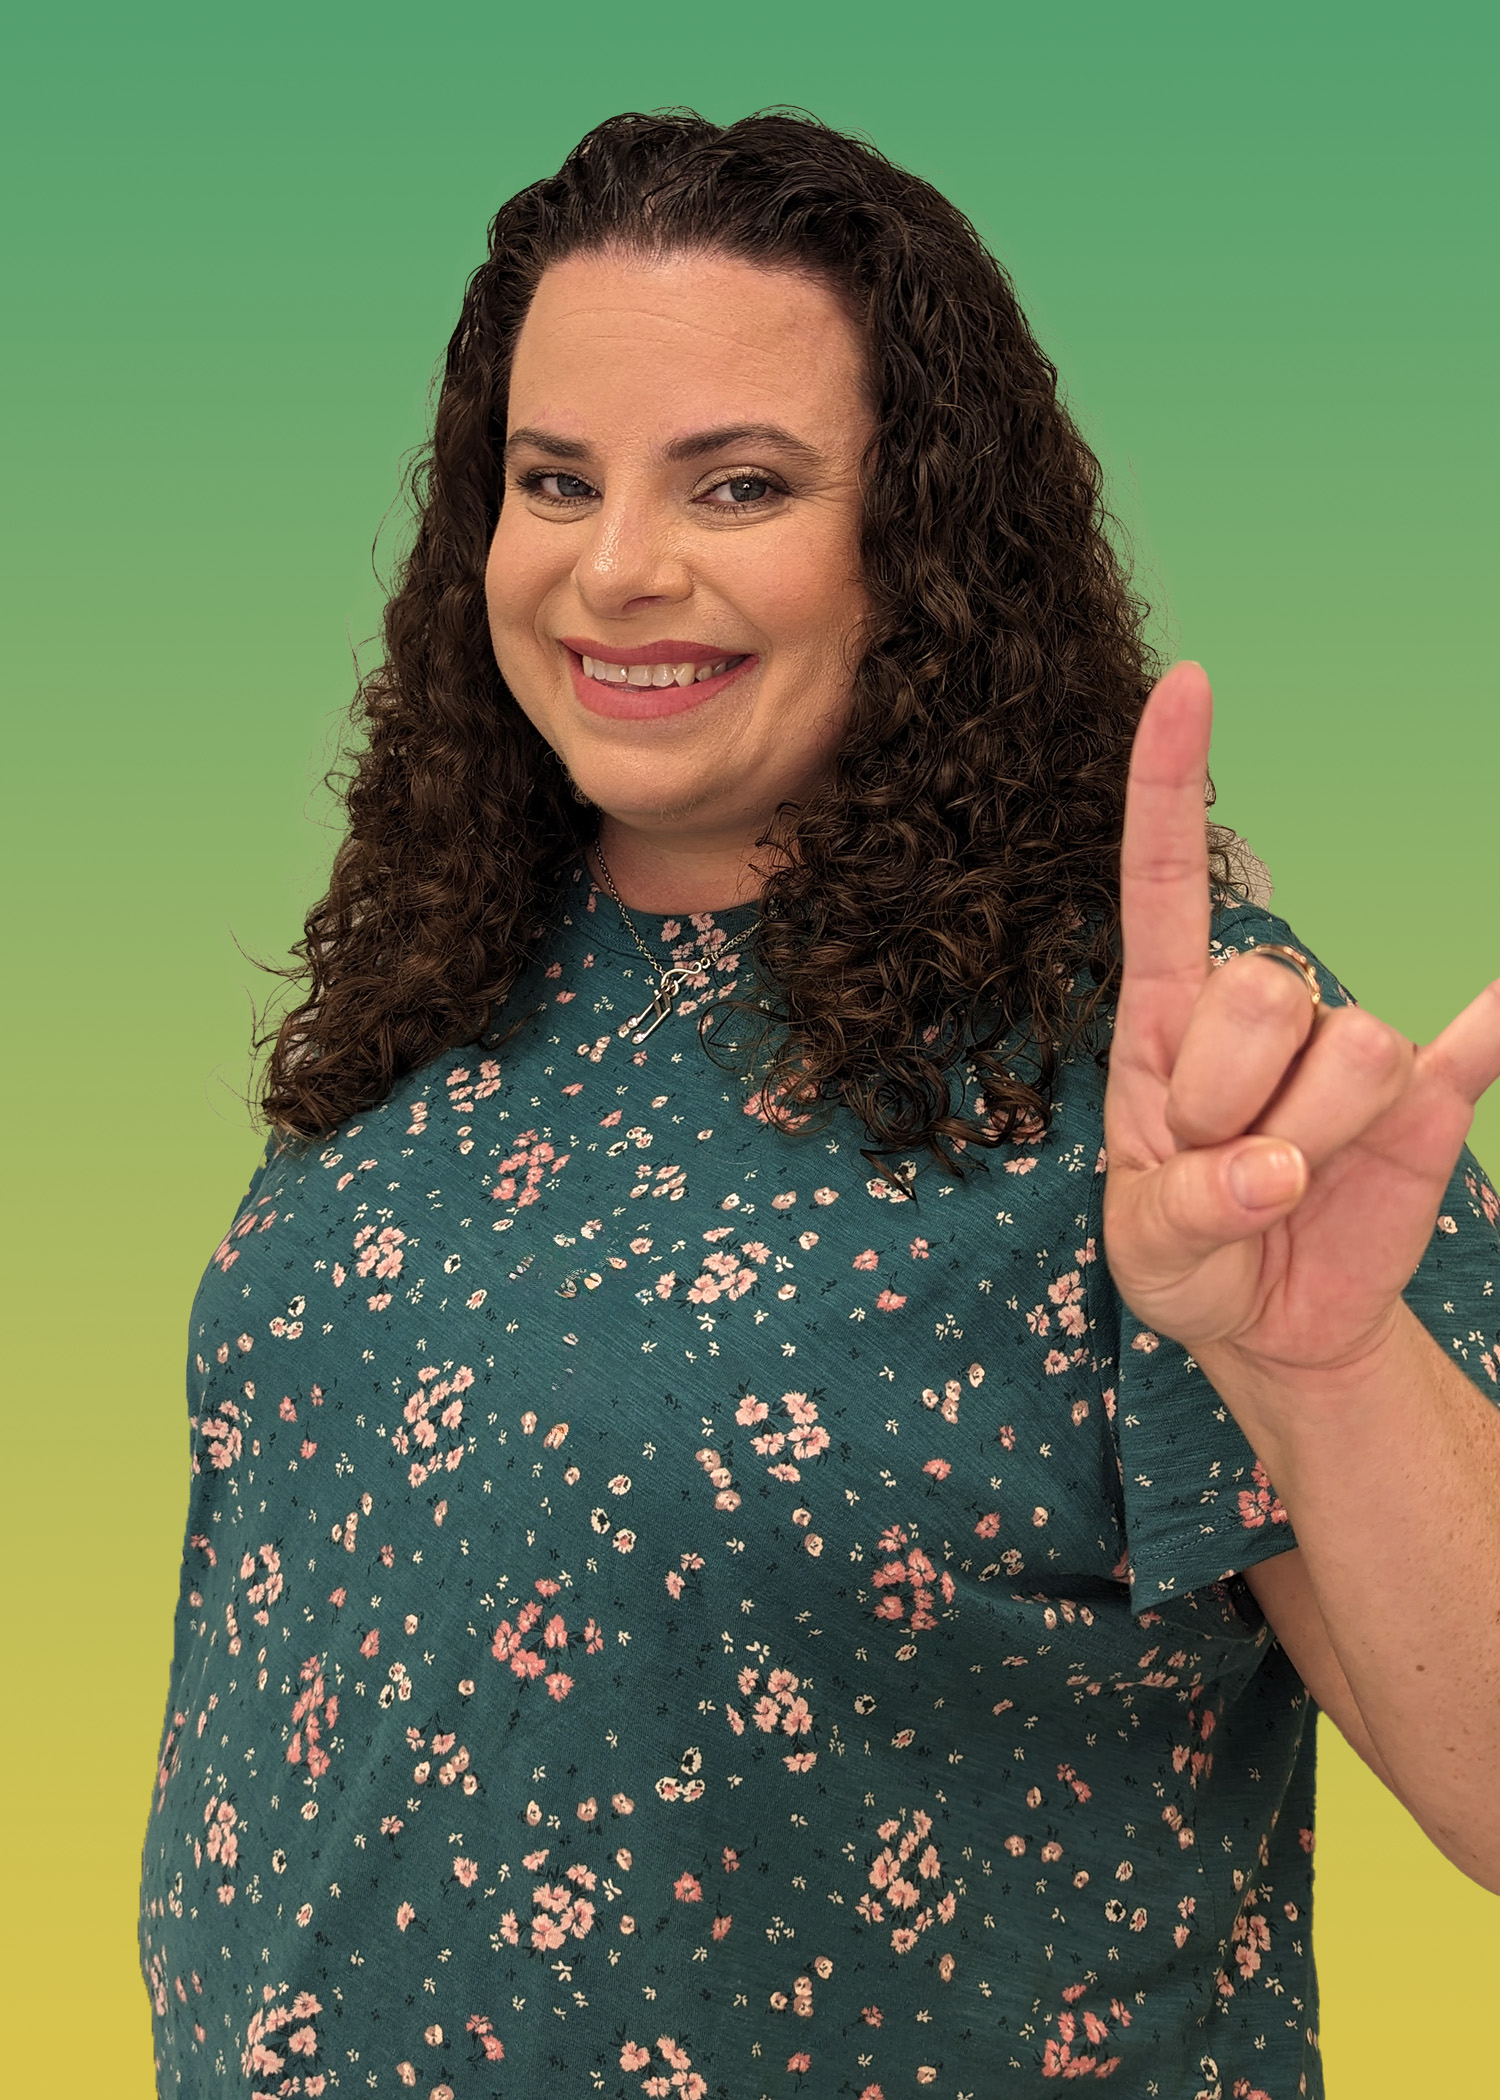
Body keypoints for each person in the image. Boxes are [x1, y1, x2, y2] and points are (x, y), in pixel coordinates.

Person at [139, 111, 1500, 2100]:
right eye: (553, 481)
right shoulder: (433, 989)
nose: (618, 568)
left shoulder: (1166, 1074)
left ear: (918, 542)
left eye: (740, 483)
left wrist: (1324, 1359)